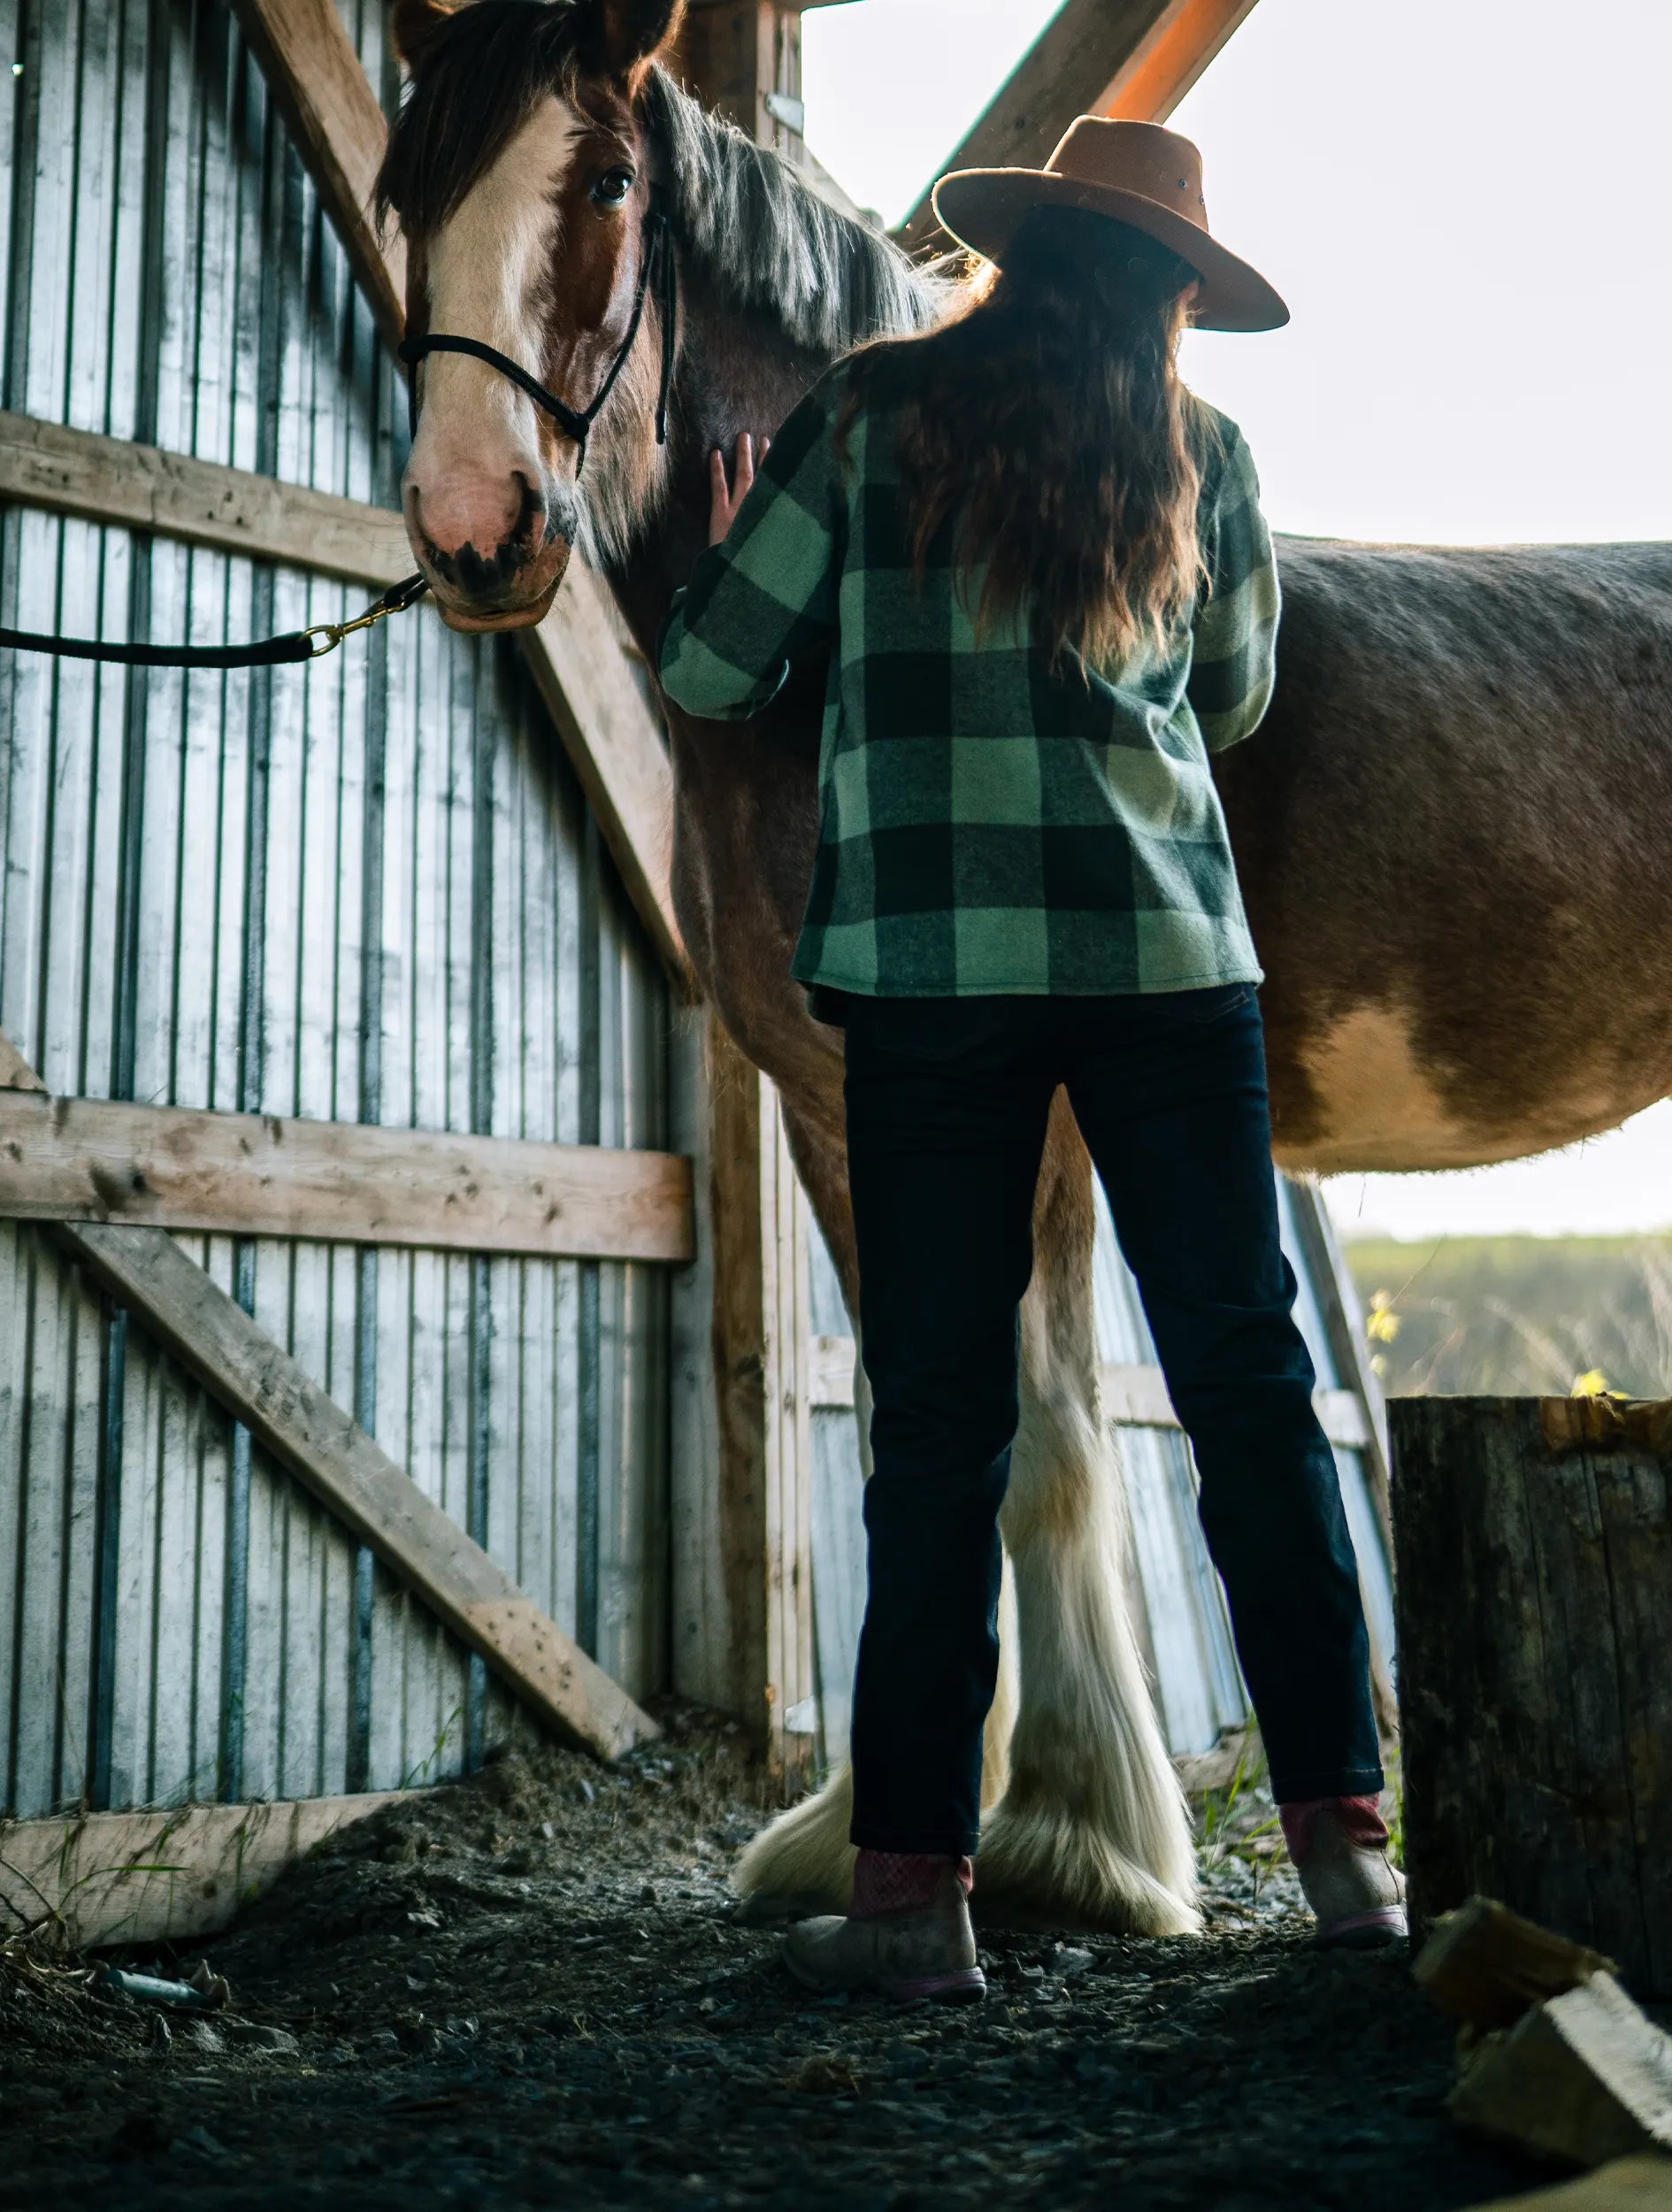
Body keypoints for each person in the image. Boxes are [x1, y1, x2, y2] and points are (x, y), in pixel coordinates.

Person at [657, 116, 1403, 2002]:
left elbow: (710, 671)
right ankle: (1345, 1873)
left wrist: (762, 532)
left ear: (1012, 256)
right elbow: (1230, 692)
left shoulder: (867, 415)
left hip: (929, 978)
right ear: (1164, 299)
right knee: (1246, 1390)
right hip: (1167, 970)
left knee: (938, 1423)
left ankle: (914, 1899)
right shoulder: (1200, 454)